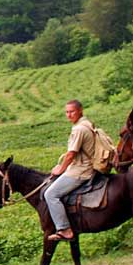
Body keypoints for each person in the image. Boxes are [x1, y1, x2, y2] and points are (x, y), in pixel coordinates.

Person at [43, 99, 97, 242]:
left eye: (72, 111)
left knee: (51, 194)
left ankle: (64, 229)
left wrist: (60, 169)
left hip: (81, 171)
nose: (69, 115)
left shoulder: (79, 129)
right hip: (83, 166)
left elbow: (71, 154)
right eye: (67, 112)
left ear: (80, 110)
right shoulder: (87, 124)